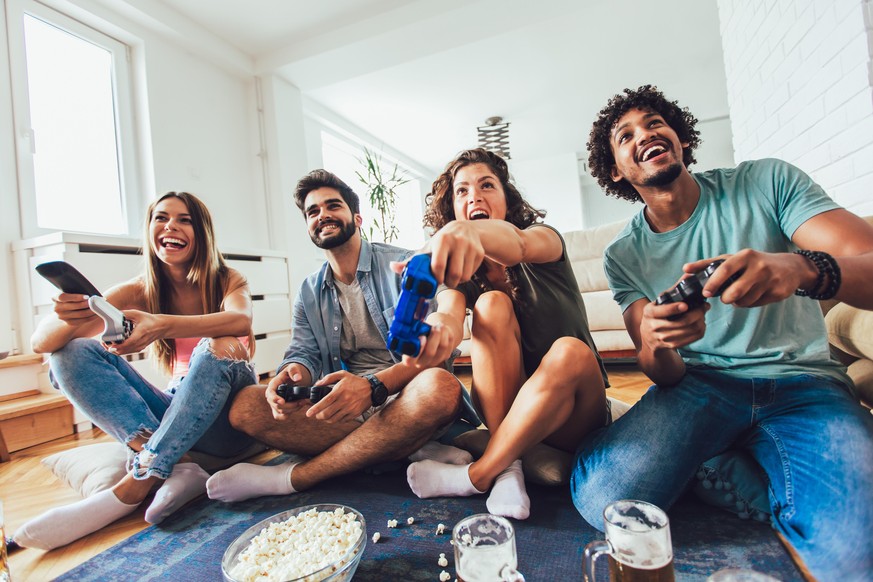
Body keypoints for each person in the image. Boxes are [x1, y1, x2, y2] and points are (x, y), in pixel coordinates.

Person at [572, 85, 873, 580]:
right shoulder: (623, 255)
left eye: (654, 122)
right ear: (616, 170)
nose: (646, 134)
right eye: (626, 135)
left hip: (806, 386)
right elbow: (660, 372)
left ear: (680, 137)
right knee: (606, 500)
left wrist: (801, 268)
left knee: (856, 549)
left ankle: (722, 468)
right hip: (700, 387)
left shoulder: (766, 181)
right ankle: (755, 470)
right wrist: (660, 340)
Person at [205, 170, 478, 503]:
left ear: (357, 217)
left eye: (332, 206)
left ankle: (294, 477)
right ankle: (408, 449)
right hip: (345, 406)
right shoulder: (308, 291)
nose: (323, 215)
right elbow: (302, 352)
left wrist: (374, 387)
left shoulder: (402, 264)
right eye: (313, 211)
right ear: (308, 226)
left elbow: (438, 347)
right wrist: (292, 375)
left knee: (441, 386)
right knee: (245, 406)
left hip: (409, 397)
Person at [14, 192, 257, 550]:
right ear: (150, 229)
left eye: (183, 219)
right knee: (69, 353)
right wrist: (70, 316)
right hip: (179, 411)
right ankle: (177, 466)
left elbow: (240, 318)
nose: (170, 225)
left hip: (229, 422)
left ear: (201, 232)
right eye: (161, 217)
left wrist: (160, 325)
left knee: (214, 344)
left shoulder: (227, 279)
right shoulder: (139, 289)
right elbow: (42, 343)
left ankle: (138, 481)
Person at [403, 148, 609, 520]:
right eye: (462, 191)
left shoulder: (543, 241)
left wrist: (462, 232)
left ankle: (478, 475)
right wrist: (433, 333)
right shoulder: (461, 276)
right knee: (491, 305)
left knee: (569, 352)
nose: (474, 197)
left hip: (574, 408)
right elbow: (449, 316)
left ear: (506, 198)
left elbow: (518, 244)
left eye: (486, 186)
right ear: (452, 205)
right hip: (506, 406)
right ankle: (510, 467)